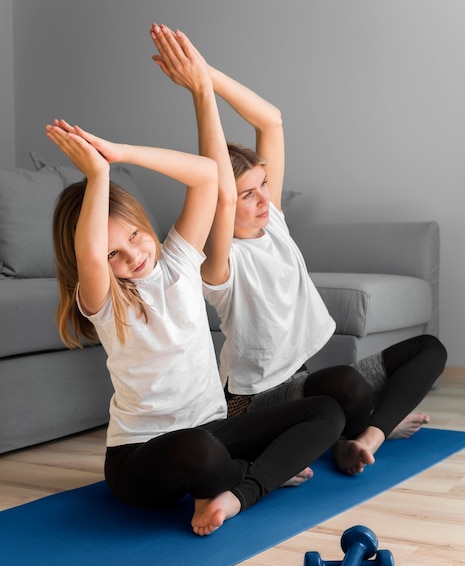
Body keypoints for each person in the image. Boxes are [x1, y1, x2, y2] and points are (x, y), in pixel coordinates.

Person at [149, 24, 448, 477]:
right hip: (251, 400)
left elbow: (270, 120)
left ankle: (368, 436)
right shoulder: (218, 261)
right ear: (223, 202)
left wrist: (205, 72)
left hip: (304, 380)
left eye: (264, 185)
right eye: (248, 194)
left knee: (428, 350)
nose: (264, 199)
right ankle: (348, 431)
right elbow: (218, 190)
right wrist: (198, 94)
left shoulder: (276, 225)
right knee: (346, 385)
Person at [47, 109, 347, 536]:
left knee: (326, 412)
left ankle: (236, 492)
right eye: (114, 254)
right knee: (200, 450)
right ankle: (254, 473)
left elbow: (208, 174)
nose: (132, 255)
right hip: (142, 456)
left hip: (213, 429)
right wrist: (97, 176)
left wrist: (119, 154)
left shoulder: (180, 261)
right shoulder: (106, 300)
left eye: (133, 235)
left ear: (143, 223)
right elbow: (91, 256)